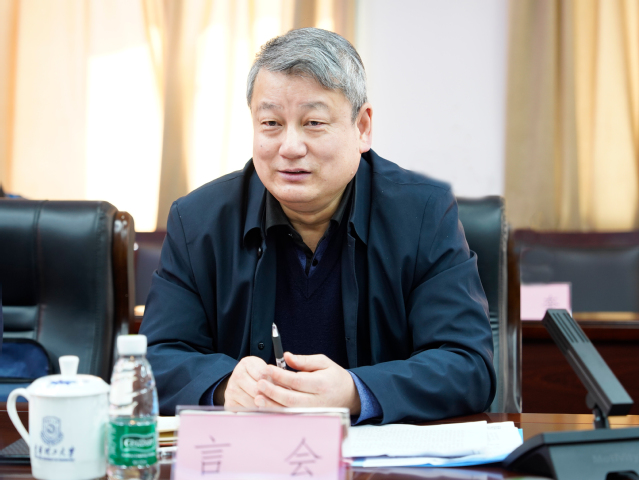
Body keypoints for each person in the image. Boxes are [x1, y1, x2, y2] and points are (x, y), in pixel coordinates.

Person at [140, 28, 496, 424]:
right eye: (271, 123)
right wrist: (225, 386)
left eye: (313, 122)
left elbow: (468, 365)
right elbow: (152, 359)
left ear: (362, 127)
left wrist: (355, 392)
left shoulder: (423, 213)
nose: (290, 147)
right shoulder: (197, 221)